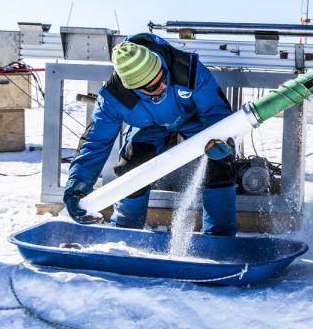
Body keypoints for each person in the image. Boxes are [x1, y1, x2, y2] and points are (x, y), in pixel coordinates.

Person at [63, 33, 237, 235]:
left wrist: (222, 140)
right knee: (133, 165)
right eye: (153, 86)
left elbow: (216, 113)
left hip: (194, 120)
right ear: (133, 87)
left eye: (163, 77)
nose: (163, 86)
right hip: (148, 127)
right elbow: (95, 142)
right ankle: (126, 232)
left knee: (219, 161)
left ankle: (220, 237)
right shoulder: (114, 97)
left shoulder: (187, 69)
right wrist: (77, 185)